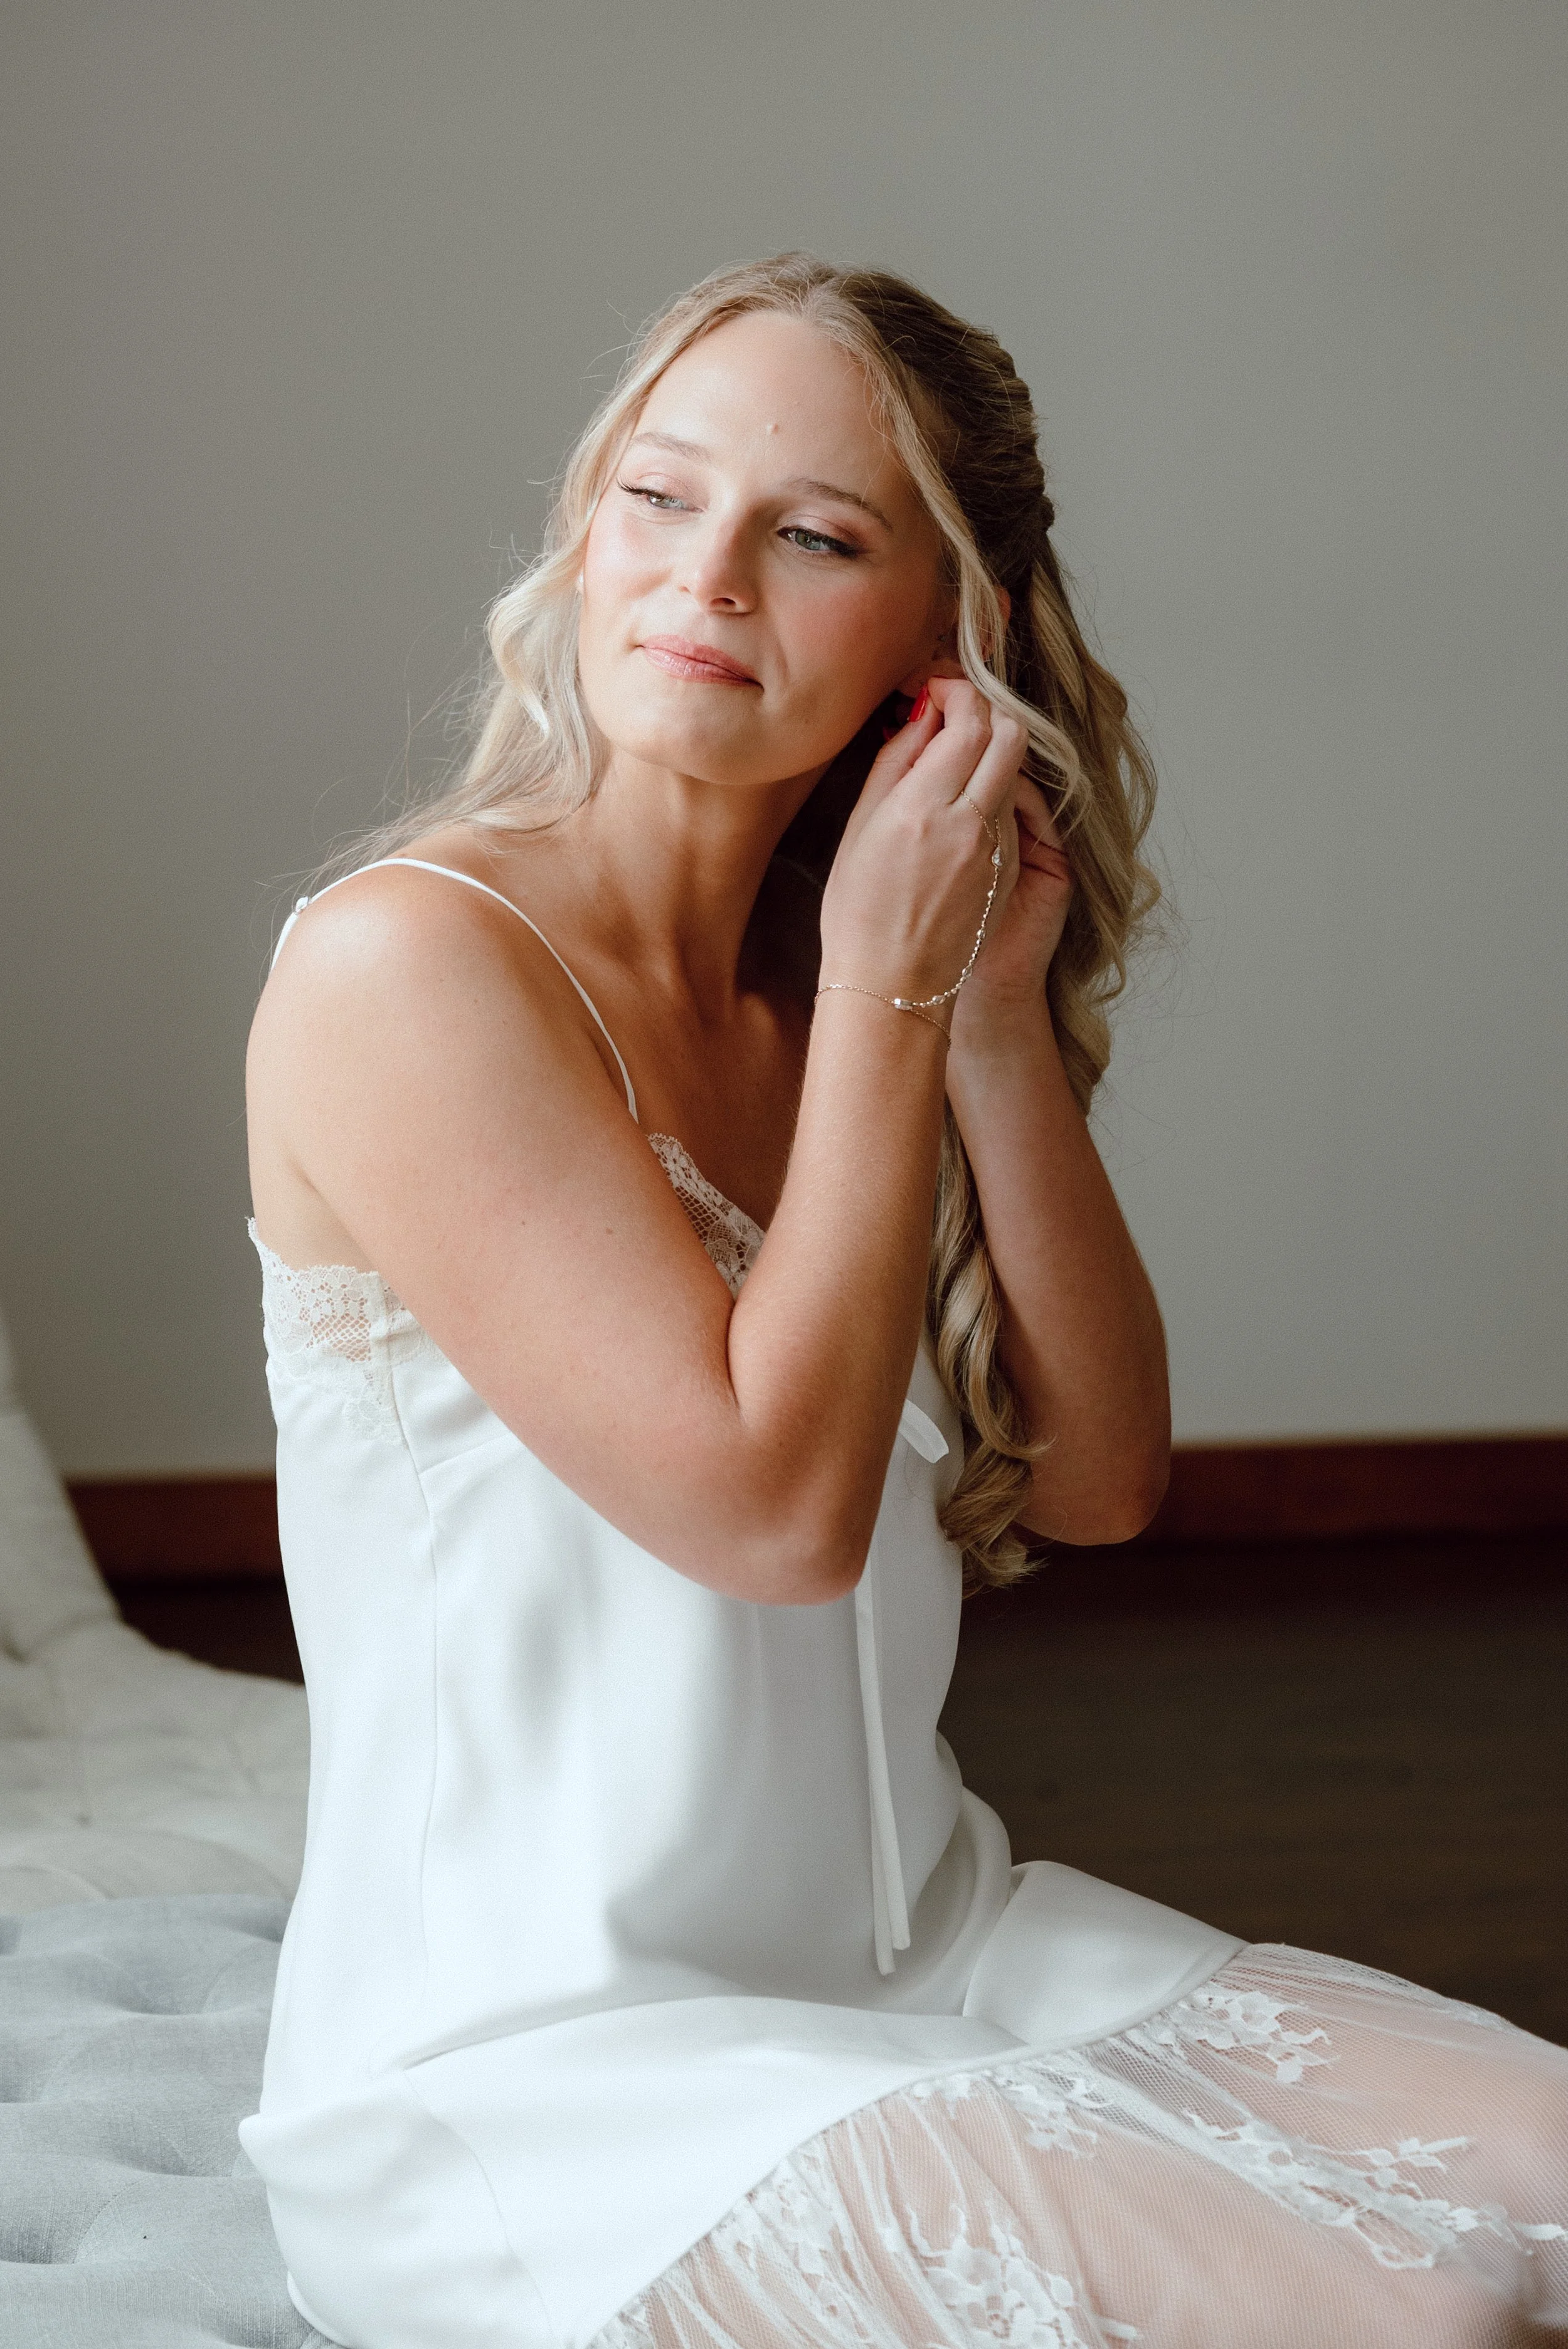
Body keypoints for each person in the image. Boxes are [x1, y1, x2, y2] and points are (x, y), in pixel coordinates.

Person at [241, 254, 1565, 2348]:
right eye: (659, 499)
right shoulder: (406, 969)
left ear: (946, 641)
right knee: (1421, 2318)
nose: (707, 581)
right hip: (552, 2077)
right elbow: (766, 1516)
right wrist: (887, 990)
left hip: (936, 1949)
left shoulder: (849, 971)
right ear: (585, 525)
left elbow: (1106, 1481)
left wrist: (988, 1023)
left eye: (817, 535)